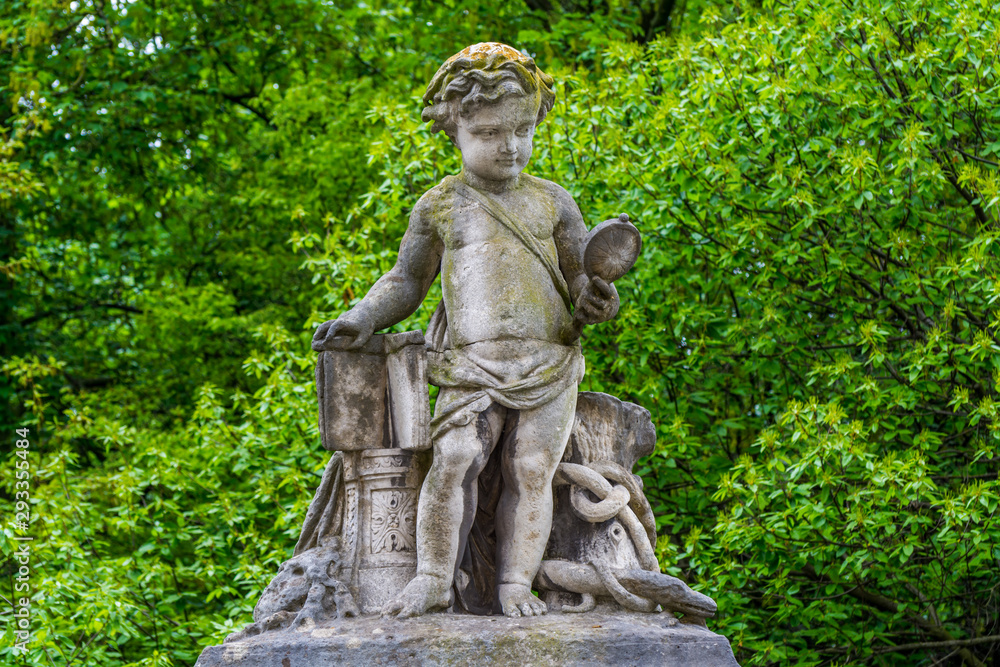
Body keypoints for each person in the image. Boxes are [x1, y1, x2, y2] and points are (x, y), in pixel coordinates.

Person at [311, 42, 619, 618]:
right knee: (454, 458)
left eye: (523, 130)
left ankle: (514, 585)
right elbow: (406, 281)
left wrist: (598, 298)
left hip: (549, 361)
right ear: (454, 130)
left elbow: (582, 280)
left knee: (531, 470)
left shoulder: (553, 202)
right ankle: (432, 576)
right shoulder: (441, 205)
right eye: (488, 133)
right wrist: (361, 317)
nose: (510, 146)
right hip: (470, 364)